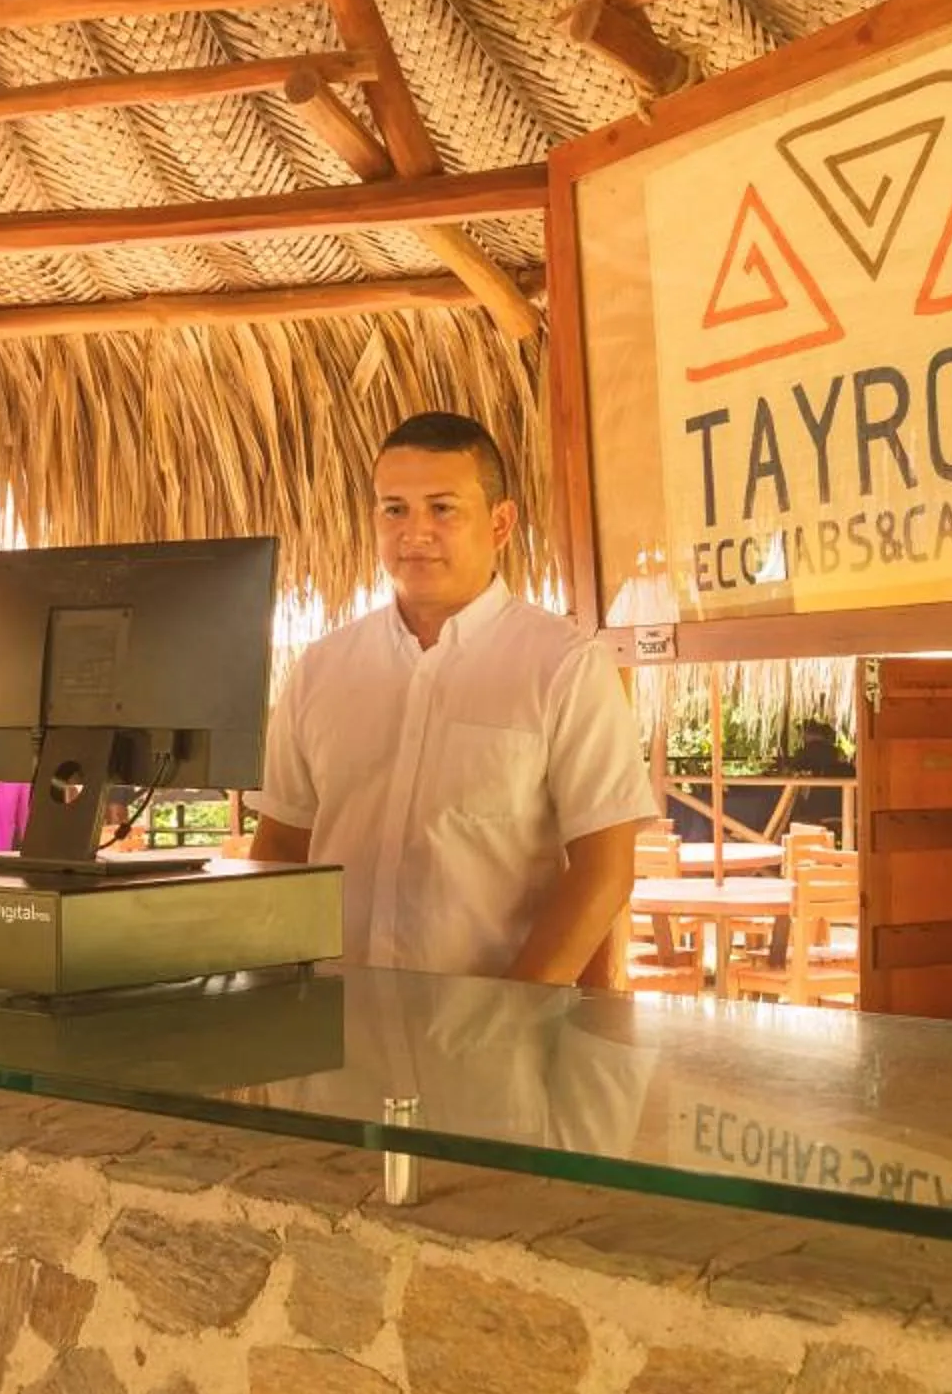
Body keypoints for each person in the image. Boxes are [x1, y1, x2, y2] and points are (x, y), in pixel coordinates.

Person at [248, 413, 653, 983]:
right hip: (333, 1030)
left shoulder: (564, 666)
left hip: (489, 1036)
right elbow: (281, 845)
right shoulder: (320, 669)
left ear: (501, 523)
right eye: (395, 509)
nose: (415, 532)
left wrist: (514, 1012)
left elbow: (605, 869)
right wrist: (272, 987)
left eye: (443, 508)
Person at [776, 716, 847, 831]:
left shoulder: (807, 752)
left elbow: (791, 771)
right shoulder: (836, 753)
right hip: (845, 807)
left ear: (809, 733)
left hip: (817, 809)